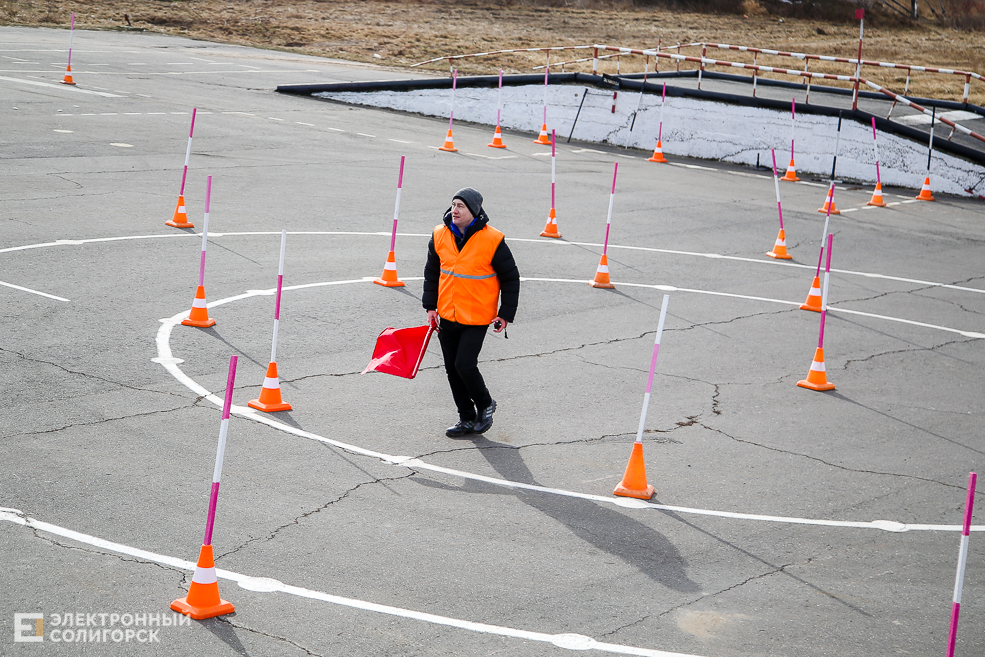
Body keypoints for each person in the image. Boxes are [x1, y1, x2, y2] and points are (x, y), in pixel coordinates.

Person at [423, 187, 520, 437]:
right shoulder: (439, 234)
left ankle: (485, 403)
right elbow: (432, 273)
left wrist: (505, 314)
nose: (454, 210)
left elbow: (510, 278)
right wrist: (430, 307)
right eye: (453, 204)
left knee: (464, 365)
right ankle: (466, 417)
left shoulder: (493, 239)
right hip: (447, 314)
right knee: (451, 369)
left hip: (477, 316)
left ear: (474, 211)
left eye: (461, 206)